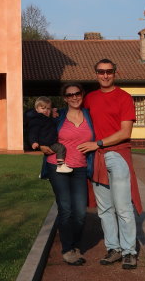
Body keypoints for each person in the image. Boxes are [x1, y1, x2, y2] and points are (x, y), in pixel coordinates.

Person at [78, 58, 143, 270]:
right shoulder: (90, 98)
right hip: (96, 157)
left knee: (123, 206)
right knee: (104, 209)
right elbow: (80, 123)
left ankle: (129, 251)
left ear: (115, 73)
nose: (105, 75)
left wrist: (97, 143)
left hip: (117, 155)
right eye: (100, 72)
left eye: (109, 72)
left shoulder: (124, 98)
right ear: (95, 74)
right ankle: (113, 248)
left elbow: (125, 132)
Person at [39, 83, 95, 266]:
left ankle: (75, 244)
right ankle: (68, 249)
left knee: (80, 212)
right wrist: (40, 144)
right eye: (69, 95)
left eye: (77, 93)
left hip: (79, 167)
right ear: (64, 98)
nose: (74, 97)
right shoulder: (58, 115)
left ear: (82, 94)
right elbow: (39, 128)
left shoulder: (89, 115)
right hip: (57, 165)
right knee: (66, 209)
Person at [27, 97, 72, 173]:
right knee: (61, 148)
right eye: (43, 108)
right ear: (37, 109)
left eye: (48, 109)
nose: (45, 111)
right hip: (46, 143)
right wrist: (33, 142)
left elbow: (53, 124)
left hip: (49, 142)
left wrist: (54, 114)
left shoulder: (47, 119)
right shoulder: (36, 120)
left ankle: (45, 172)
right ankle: (60, 165)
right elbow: (32, 131)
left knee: (58, 149)